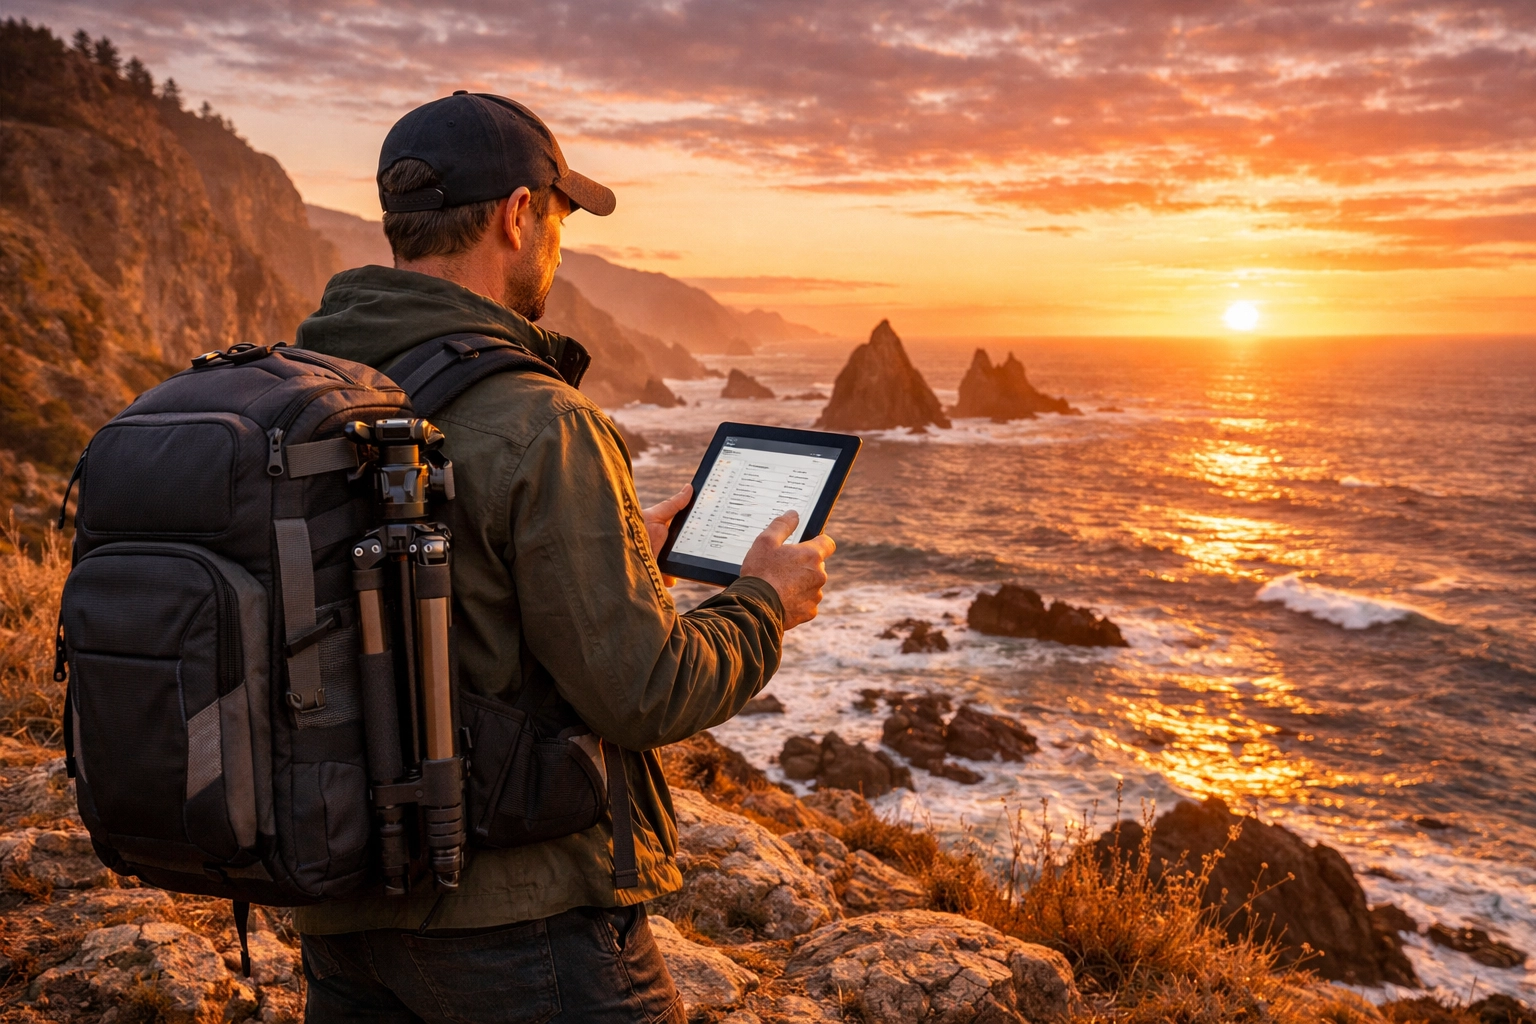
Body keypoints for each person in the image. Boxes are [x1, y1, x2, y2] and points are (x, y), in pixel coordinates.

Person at [290, 92, 835, 1023]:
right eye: (557, 217)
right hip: (518, 925)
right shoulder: (543, 421)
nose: (556, 243)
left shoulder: (318, 393)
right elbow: (648, 694)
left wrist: (624, 561)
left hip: (339, 904)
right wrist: (763, 602)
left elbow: (422, 598)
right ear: (516, 214)